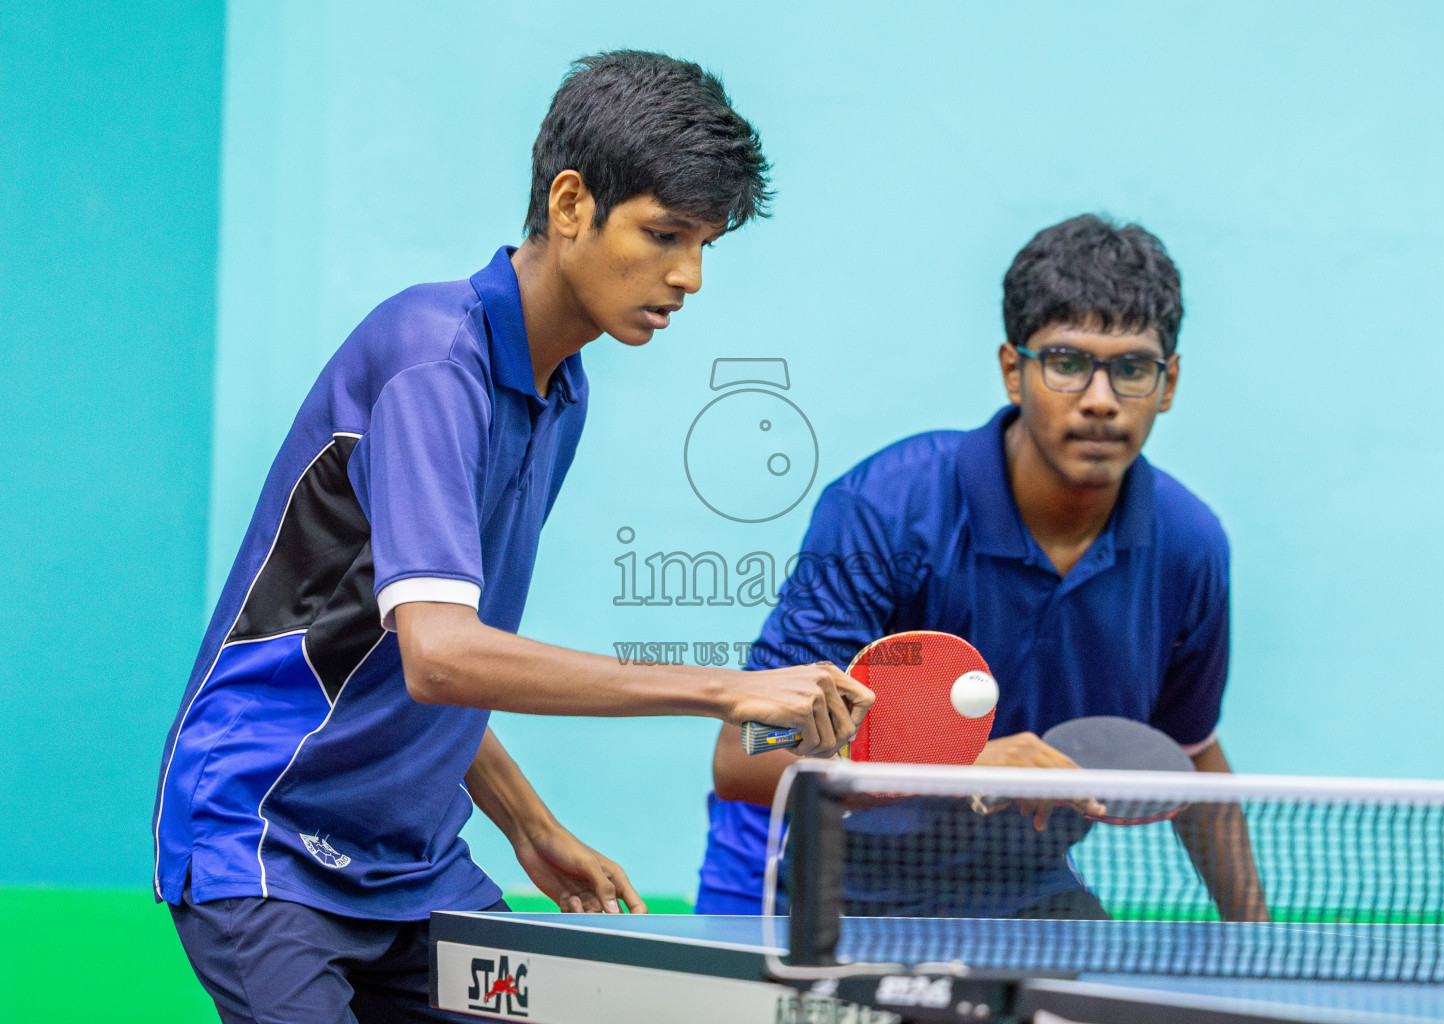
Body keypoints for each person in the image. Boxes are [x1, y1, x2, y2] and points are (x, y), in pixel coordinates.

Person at [152, 51, 873, 1023]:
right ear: (570, 203)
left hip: (412, 862)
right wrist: (722, 688)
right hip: (271, 835)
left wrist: (531, 827)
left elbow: (410, 649)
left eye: (704, 244)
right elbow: (442, 657)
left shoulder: (557, 391)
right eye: (664, 235)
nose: (690, 276)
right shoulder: (430, 360)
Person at [697, 214, 1267, 921]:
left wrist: (1258, 947)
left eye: (1131, 368)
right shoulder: (885, 510)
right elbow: (744, 752)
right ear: (1013, 371)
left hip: (1011, 887)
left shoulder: (1188, 547)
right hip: (803, 884)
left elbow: (1192, 754)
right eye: (1066, 362)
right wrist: (960, 765)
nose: (1100, 399)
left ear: (1168, 381)